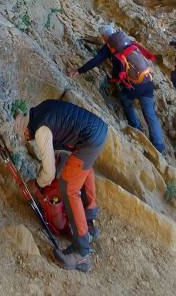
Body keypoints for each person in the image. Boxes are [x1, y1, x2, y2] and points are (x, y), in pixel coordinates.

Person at [14, 99, 108, 272]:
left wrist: (36, 184)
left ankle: (81, 253)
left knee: (68, 187)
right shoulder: (40, 110)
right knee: (84, 167)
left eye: (26, 137)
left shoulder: (41, 131)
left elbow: (49, 174)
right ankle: (89, 222)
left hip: (90, 137)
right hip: (97, 129)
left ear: (26, 130)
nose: (28, 140)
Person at [71, 24, 165, 154]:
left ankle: (135, 127)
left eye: (102, 37)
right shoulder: (126, 39)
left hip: (134, 86)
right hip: (148, 80)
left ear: (105, 36)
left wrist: (79, 70)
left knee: (125, 99)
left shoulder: (109, 46)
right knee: (150, 113)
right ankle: (159, 146)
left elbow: (96, 61)